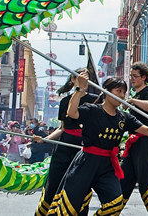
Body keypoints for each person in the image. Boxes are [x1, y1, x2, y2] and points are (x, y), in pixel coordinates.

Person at [46, 76, 148, 216]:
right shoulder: (92, 110)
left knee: (115, 203)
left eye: (124, 92)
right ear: (107, 92)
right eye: (118, 91)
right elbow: (72, 113)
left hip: (107, 167)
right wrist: (79, 90)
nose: (122, 95)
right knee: (68, 208)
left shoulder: (124, 117)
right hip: (86, 162)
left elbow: (147, 130)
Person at [35, 69, 98, 216]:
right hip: (64, 147)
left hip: (84, 148)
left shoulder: (95, 99)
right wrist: (44, 139)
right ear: (72, 80)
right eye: (80, 78)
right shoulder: (64, 101)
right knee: (54, 183)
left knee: (81, 186)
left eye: (86, 78)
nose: (84, 80)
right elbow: (62, 128)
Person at [119, 62, 148, 216]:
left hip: (146, 141)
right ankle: (111, 210)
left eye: (135, 76)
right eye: (131, 76)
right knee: (124, 179)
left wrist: (132, 102)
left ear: (144, 77)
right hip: (133, 143)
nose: (132, 79)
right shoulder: (137, 94)